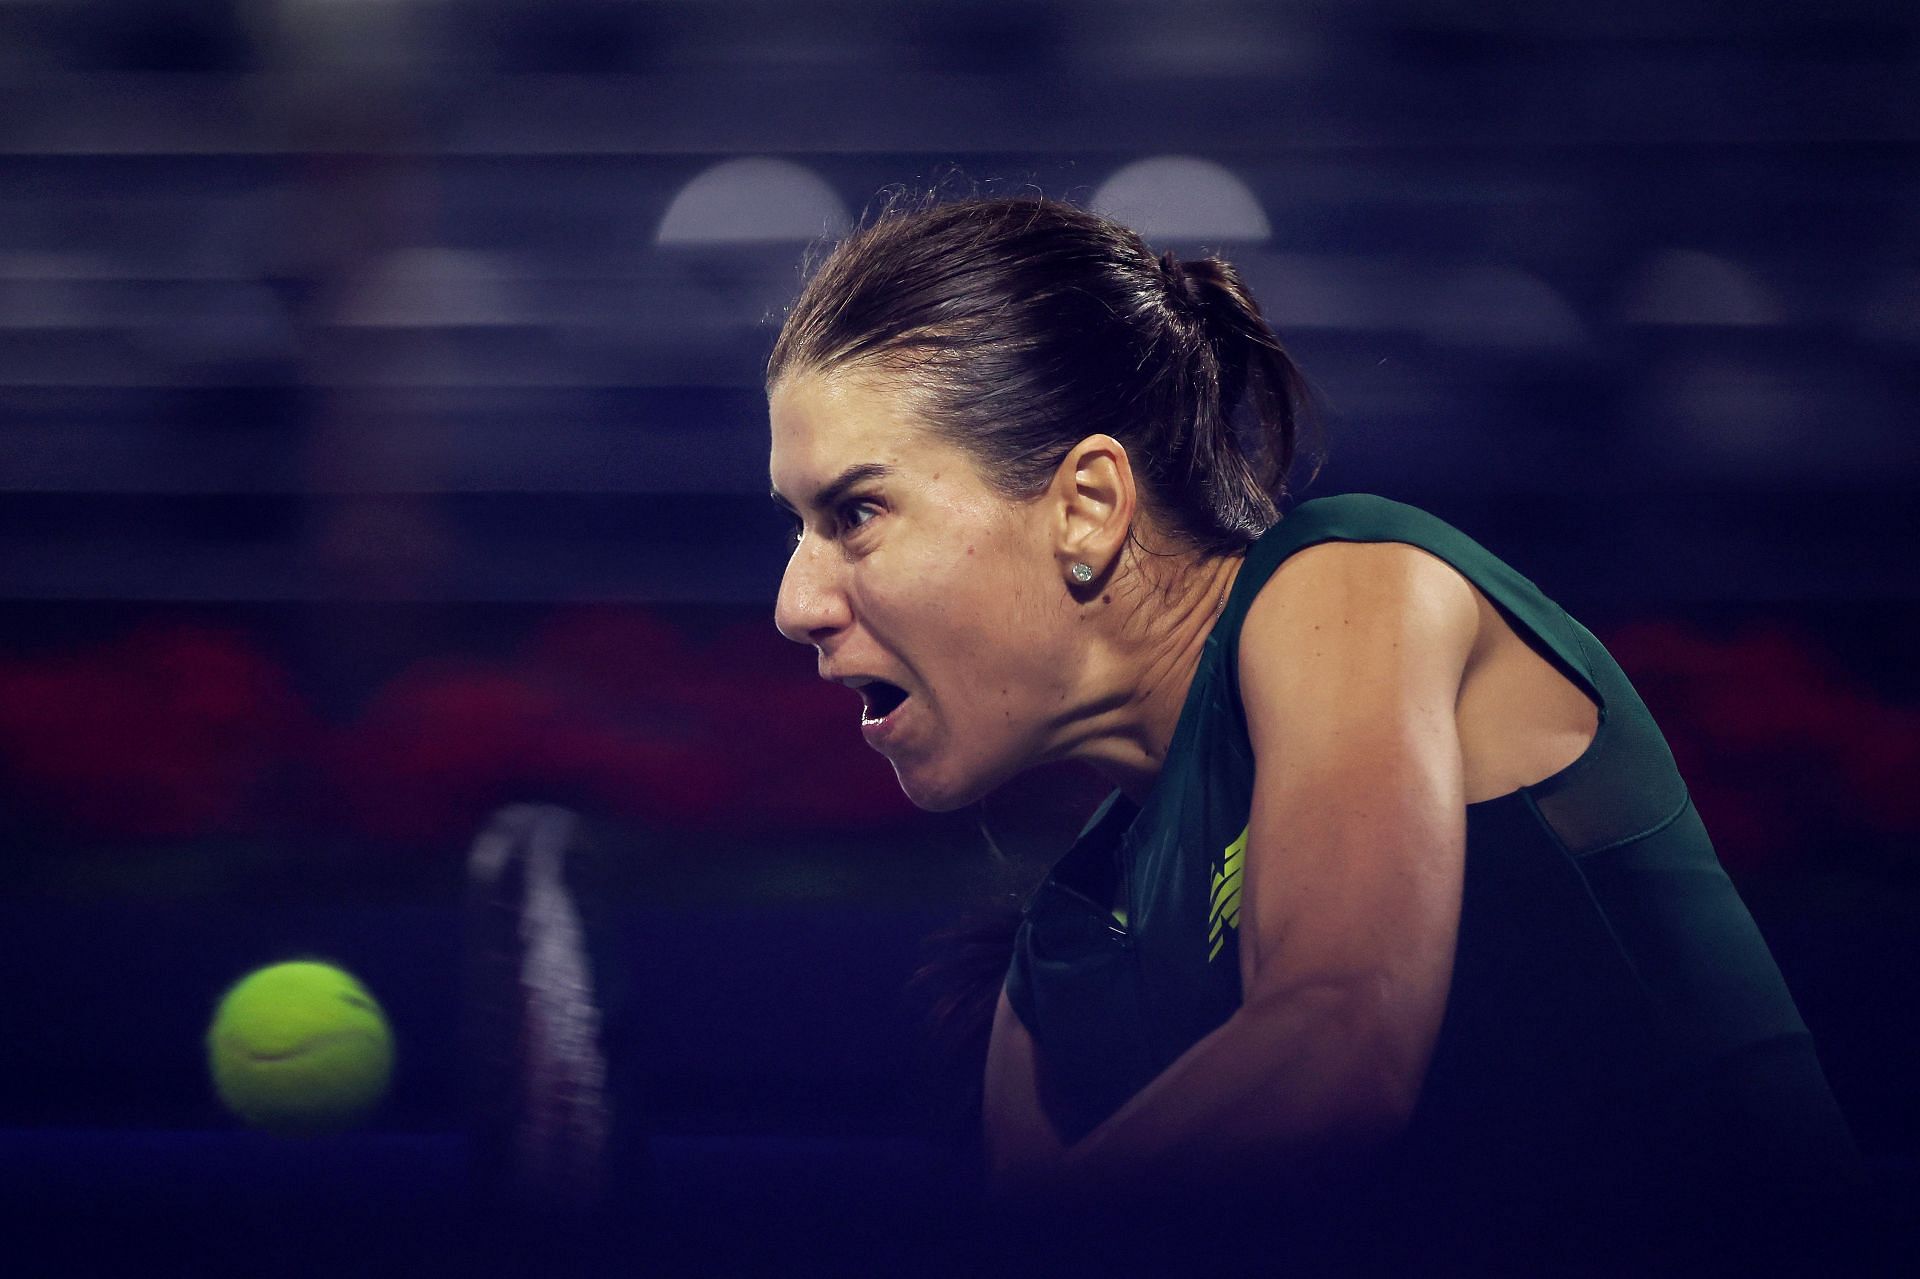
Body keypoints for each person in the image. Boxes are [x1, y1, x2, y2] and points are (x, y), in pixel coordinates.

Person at [764, 194, 1866, 1274]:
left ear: (1087, 505)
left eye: (855, 512)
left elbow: (1340, 1040)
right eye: (799, 526)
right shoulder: (1046, 984)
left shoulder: (1350, 583)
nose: (795, 600)